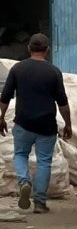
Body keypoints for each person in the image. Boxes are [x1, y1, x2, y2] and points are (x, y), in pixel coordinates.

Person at [0, 34, 72, 213]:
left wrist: (1, 117)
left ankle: (24, 181)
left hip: (23, 122)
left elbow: (5, 96)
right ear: (47, 50)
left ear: (28, 48)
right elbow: (62, 102)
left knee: (20, 154)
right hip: (46, 125)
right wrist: (68, 124)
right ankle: (39, 202)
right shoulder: (53, 71)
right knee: (44, 161)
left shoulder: (18, 69)